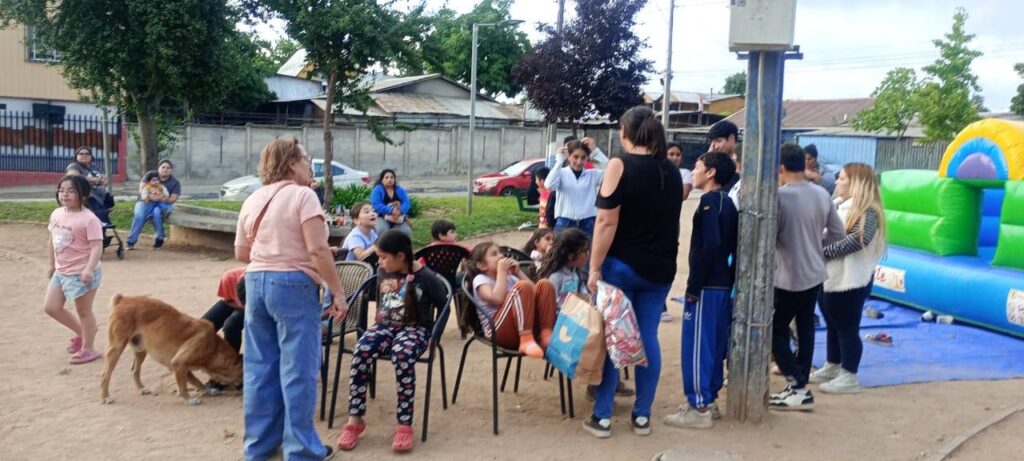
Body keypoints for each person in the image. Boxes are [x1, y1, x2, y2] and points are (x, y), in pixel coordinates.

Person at [234, 138, 347, 461]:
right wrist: (337, 291)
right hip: (294, 285)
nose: (310, 166)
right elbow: (318, 250)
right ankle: (301, 450)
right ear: (291, 164)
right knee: (298, 370)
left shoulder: (253, 198)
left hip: (256, 282)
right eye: (306, 160)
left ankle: (259, 446)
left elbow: (241, 252)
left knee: (260, 368)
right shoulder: (303, 196)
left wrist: (272, 254)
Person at [585, 106, 683, 438]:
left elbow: (606, 221)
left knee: (614, 337)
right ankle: (642, 416)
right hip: (660, 269)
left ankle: (602, 416)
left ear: (625, 133)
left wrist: (594, 267)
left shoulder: (619, 164)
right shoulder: (671, 171)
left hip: (622, 267)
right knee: (647, 337)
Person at [337, 230, 448, 453]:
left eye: (383, 257)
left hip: (415, 329)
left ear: (400, 256)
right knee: (362, 349)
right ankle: (355, 419)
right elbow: (381, 302)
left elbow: (444, 306)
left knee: (402, 354)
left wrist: (434, 336)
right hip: (385, 326)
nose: (379, 262)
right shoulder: (382, 271)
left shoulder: (426, 277)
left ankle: (404, 423)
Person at [664, 151, 739, 430]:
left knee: (697, 346)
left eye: (697, 166)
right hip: (721, 285)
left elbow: (712, 244)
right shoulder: (727, 202)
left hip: (706, 286)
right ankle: (710, 399)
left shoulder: (710, 201)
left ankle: (699, 407)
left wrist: (694, 285)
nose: (693, 171)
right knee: (713, 345)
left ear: (711, 173)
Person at [769, 143, 845, 412]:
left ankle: (797, 383)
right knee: (805, 328)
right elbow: (838, 233)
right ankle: (799, 386)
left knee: (775, 331)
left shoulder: (780, 197)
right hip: (815, 272)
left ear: (780, 167)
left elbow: (771, 235)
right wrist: (815, 244)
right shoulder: (821, 193)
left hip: (789, 276)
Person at [809, 163, 886, 394]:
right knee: (833, 324)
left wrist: (822, 252)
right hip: (830, 277)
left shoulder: (868, 211)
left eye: (841, 178)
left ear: (856, 183)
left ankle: (849, 375)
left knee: (846, 328)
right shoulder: (839, 205)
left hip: (851, 280)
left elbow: (857, 240)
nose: (837, 182)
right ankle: (833, 365)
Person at [537, 228, 636, 399]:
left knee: (611, 330)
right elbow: (550, 307)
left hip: (578, 319)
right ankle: (597, 385)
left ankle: (608, 381)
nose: (588, 254)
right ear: (570, 256)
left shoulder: (577, 274)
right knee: (598, 337)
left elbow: (585, 296)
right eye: (584, 251)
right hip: (562, 326)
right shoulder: (555, 278)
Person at [43, 175, 104, 365]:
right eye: (61, 190)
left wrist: (89, 269)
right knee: (51, 307)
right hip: (62, 271)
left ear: (83, 194)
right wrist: (52, 264)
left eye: (71, 191)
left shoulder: (89, 219)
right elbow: (52, 240)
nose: (65, 194)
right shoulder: (57, 213)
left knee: (84, 311)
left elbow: (97, 247)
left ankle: (88, 348)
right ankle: (82, 332)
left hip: (81, 272)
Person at [468, 242, 558, 358]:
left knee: (545, 284)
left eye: (500, 252)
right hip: (498, 332)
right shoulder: (480, 279)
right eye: (494, 254)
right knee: (522, 287)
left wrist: (518, 272)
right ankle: (526, 339)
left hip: (524, 327)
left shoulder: (510, 277)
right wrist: (502, 272)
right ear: (482, 266)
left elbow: (537, 294)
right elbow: (497, 299)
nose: (501, 256)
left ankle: (546, 334)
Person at [544, 138, 610, 236]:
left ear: (587, 158)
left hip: (588, 223)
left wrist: (596, 151)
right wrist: (559, 160)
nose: (579, 161)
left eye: (583, 157)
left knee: (588, 247)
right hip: (565, 222)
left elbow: (612, 170)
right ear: (569, 156)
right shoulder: (560, 173)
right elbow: (549, 185)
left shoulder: (592, 175)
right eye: (575, 157)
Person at [201, 266, 247, 393]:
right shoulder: (229, 277)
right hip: (233, 303)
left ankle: (230, 369)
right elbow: (228, 300)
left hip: (254, 307)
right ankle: (213, 364)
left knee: (231, 325)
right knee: (202, 327)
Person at [127, 159, 181, 250]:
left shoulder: (175, 182)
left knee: (156, 213)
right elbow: (142, 190)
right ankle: (131, 241)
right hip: (144, 202)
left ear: (171, 170)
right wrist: (150, 197)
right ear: (158, 168)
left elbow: (173, 198)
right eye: (163, 167)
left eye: (168, 168)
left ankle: (159, 238)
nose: (165, 169)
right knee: (139, 215)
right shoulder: (150, 175)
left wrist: (161, 198)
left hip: (162, 203)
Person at [65, 146, 112, 211]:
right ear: (76, 156)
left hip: (101, 198)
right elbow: (73, 177)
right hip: (87, 199)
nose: (84, 155)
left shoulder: (94, 167)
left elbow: (105, 179)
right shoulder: (74, 166)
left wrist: (104, 180)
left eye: (87, 154)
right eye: (81, 154)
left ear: (91, 156)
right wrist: (95, 180)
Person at [370, 169, 412, 236]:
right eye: (386, 177)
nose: (389, 179)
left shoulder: (400, 189)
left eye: (392, 177)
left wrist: (400, 211)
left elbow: (407, 202)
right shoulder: (377, 190)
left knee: (405, 231)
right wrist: (391, 211)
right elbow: (376, 204)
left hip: (398, 216)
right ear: (382, 179)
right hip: (381, 216)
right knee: (382, 229)